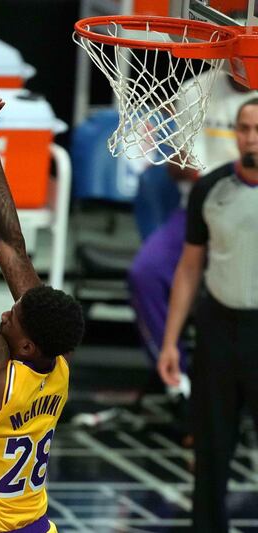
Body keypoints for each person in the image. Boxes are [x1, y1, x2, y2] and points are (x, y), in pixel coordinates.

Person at [0, 78, 84, 533]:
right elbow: (11, 247)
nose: (6, 312)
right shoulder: (57, 364)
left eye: (13, 318)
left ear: (25, 346)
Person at [158, 97, 258, 532]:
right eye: (244, 128)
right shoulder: (209, 188)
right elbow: (189, 267)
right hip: (219, 329)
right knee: (211, 454)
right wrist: (170, 341)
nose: (251, 137)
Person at [128, 71, 255, 402]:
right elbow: (182, 166)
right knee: (147, 272)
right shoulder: (196, 89)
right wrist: (179, 163)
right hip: (200, 206)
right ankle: (179, 382)